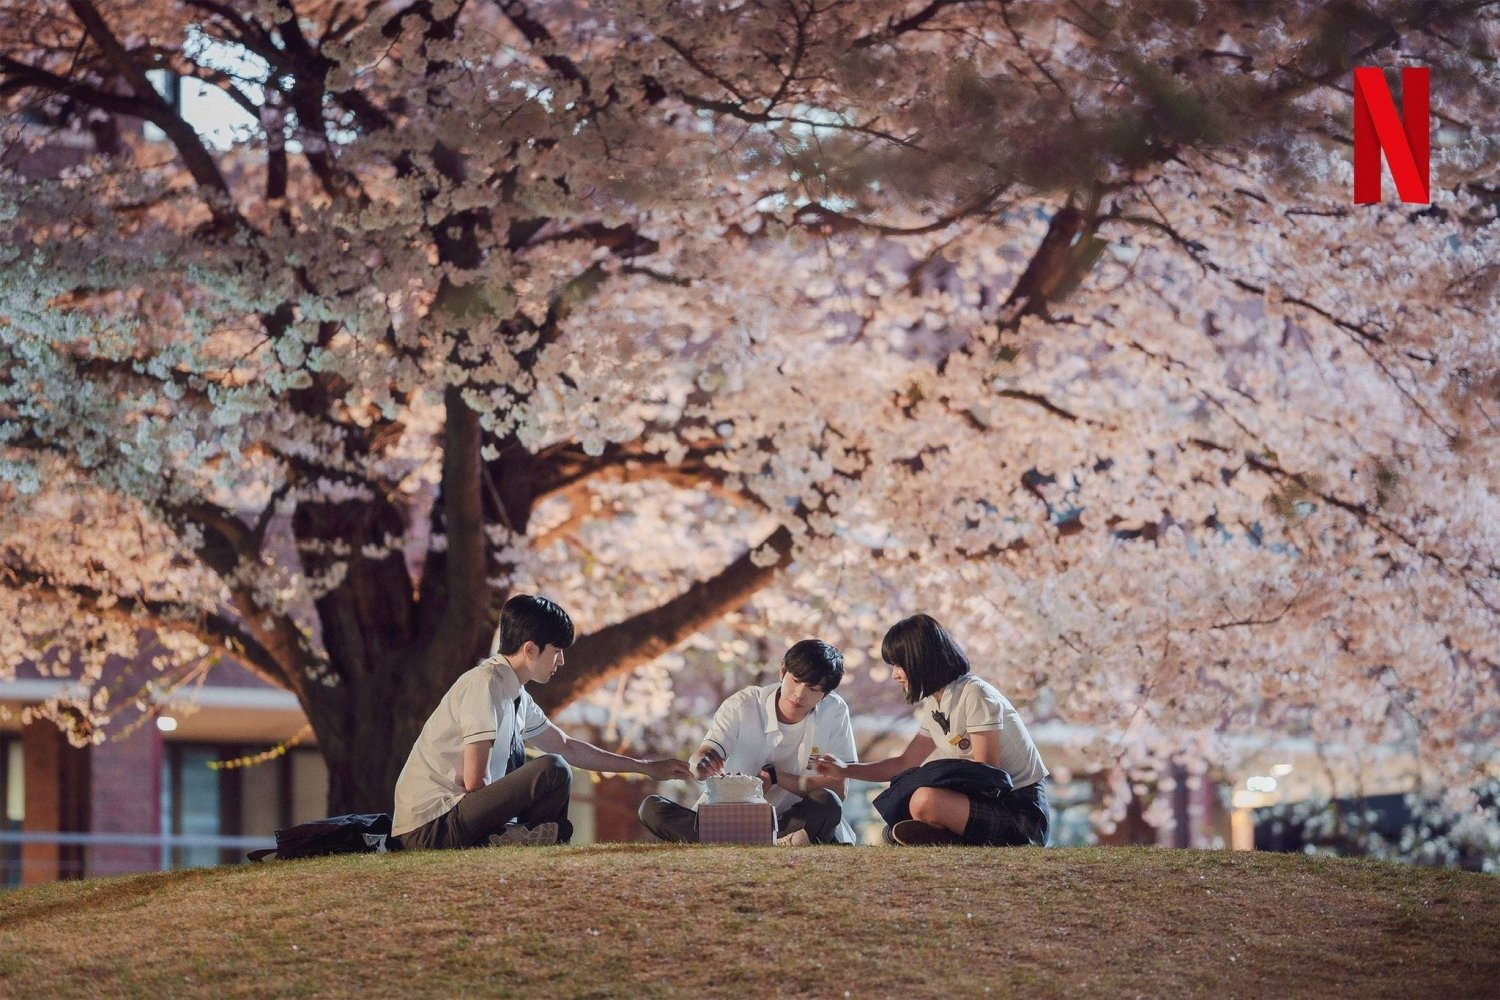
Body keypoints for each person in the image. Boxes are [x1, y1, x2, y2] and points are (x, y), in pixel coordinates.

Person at [392, 594, 692, 849]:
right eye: (557, 651)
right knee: (552, 768)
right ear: (530, 649)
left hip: (460, 816)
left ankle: (524, 841)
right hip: (432, 825)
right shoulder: (484, 685)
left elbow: (567, 747)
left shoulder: (515, 693)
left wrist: (645, 767)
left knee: (559, 772)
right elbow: (474, 782)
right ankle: (511, 838)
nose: (561, 661)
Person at [814, 614, 1049, 847]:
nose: (895, 674)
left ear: (921, 660)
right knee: (916, 804)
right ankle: (943, 838)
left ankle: (943, 837)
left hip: (1020, 811)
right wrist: (844, 770)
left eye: (899, 665)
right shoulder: (936, 701)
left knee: (923, 801)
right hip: (984, 803)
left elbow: (989, 776)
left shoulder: (975, 694)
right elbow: (905, 763)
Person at [638, 639, 858, 846]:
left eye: (813, 688)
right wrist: (702, 763)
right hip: (727, 817)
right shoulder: (744, 705)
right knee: (652, 809)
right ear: (782, 671)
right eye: (796, 680)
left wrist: (777, 777)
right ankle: (761, 841)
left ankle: (731, 840)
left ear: (826, 694)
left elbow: (838, 788)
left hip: (789, 820)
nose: (800, 694)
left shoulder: (834, 712)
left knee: (828, 803)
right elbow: (704, 754)